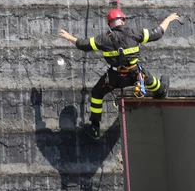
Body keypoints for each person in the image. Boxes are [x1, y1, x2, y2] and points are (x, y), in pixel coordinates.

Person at [59, 9, 180, 139]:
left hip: (114, 78)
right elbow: (158, 33)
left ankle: (95, 127)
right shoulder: (135, 33)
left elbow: (83, 44)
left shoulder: (103, 39)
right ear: (123, 20)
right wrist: (168, 19)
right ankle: (161, 91)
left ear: (109, 24)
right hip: (135, 75)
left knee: (96, 94)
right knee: (151, 81)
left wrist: (69, 37)